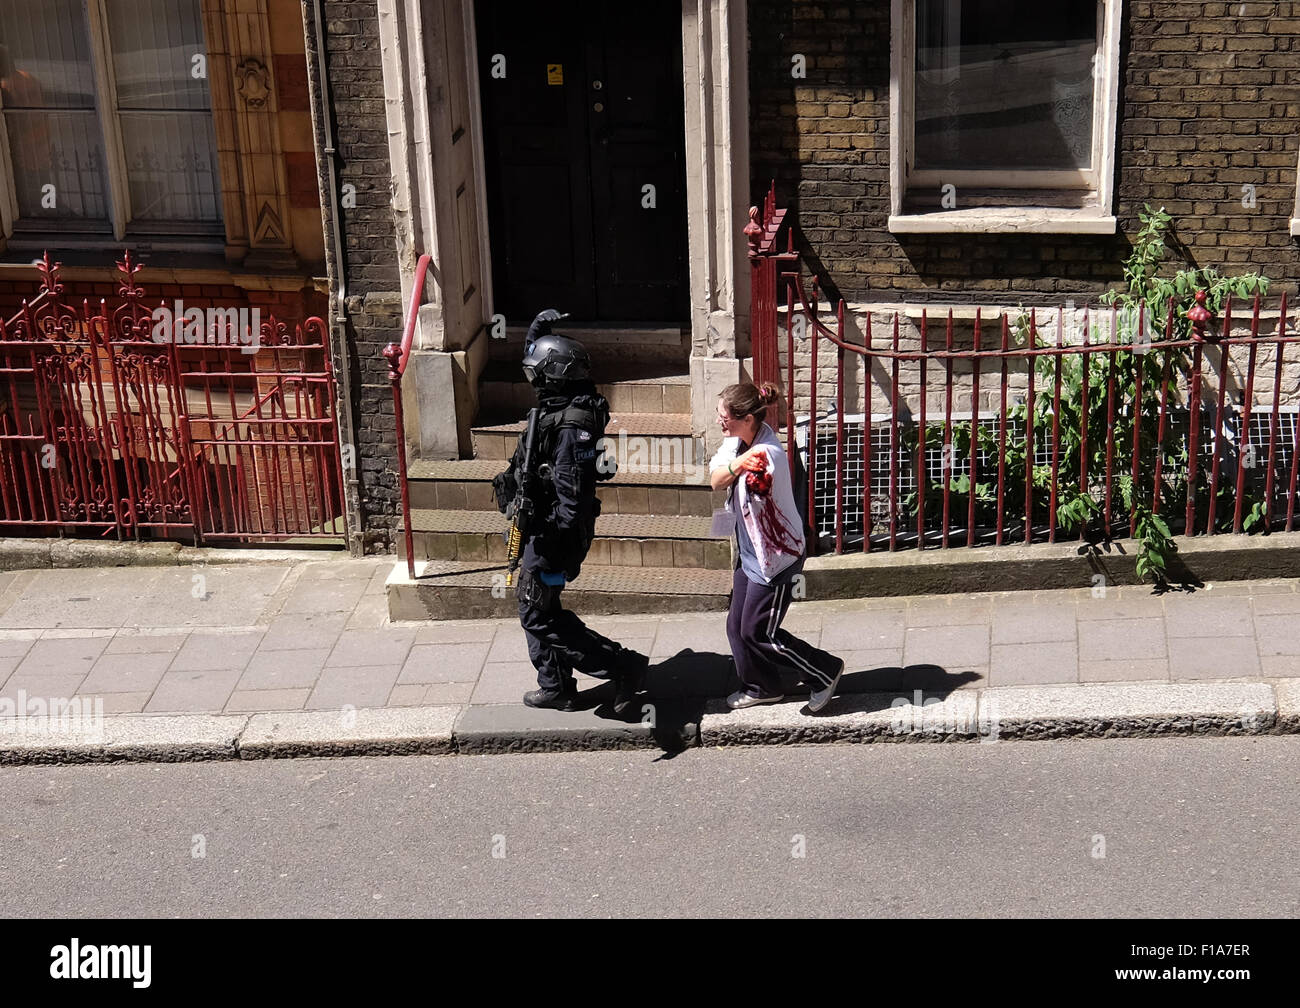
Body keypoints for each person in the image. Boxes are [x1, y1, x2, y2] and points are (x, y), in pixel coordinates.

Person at [492, 310, 649, 712]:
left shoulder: (569, 427)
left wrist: (548, 539)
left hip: (556, 535)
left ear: (555, 375)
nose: (533, 381)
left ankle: (621, 664)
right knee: (537, 608)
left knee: (537, 614)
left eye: (539, 374)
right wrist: (538, 328)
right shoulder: (559, 403)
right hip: (541, 530)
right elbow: (536, 353)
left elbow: (572, 498)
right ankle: (556, 684)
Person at [709, 382, 844, 711]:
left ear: (746, 419)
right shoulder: (741, 441)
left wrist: (743, 470)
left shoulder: (766, 456)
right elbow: (716, 476)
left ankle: (823, 670)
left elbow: (748, 481)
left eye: (723, 416)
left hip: (776, 559)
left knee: (759, 632)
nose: (719, 421)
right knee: (736, 628)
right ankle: (762, 686)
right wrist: (738, 465)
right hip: (749, 554)